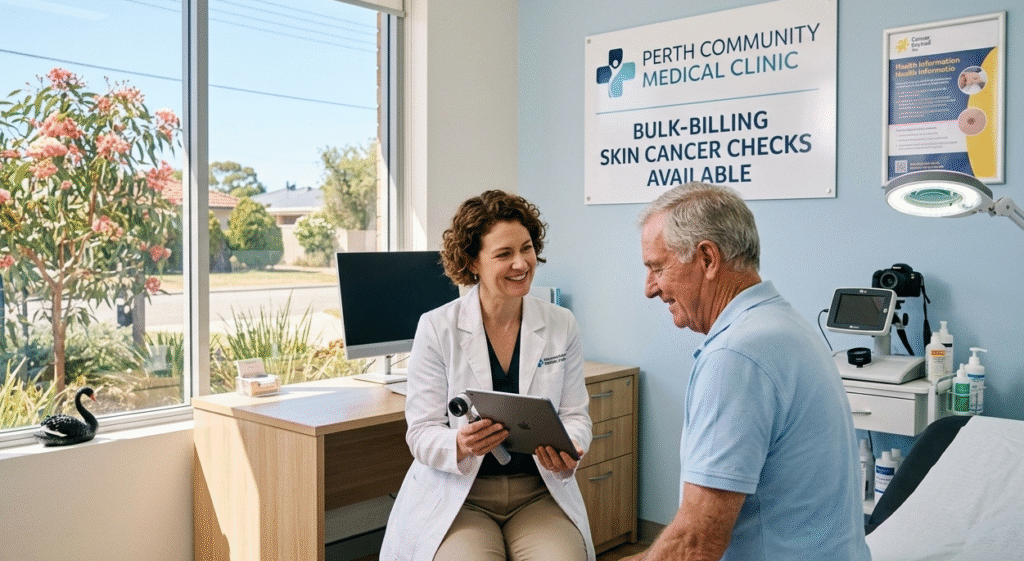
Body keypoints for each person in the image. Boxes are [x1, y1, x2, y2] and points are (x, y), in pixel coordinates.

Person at [628, 182, 870, 560]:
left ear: (707, 259)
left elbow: (696, 544)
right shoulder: (781, 324)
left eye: (658, 268)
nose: (649, 288)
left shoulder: (736, 355)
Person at [380, 190, 595, 561]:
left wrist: (572, 447)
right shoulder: (437, 327)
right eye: (503, 254)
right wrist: (460, 443)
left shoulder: (561, 324)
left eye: (526, 248)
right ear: (472, 262)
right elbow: (421, 432)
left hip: (538, 494)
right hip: (462, 496)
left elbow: (576, 415)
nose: (521, 263)